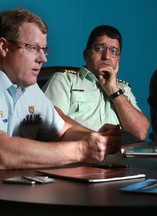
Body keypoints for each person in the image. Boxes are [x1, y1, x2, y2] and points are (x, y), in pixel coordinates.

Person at [0, 8, 122, 170]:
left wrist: (98, 138)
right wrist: (81, 150)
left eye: (44, 49)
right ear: (4, 47)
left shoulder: (30, 89)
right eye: (33, 48)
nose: (42, 58)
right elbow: (3, 152)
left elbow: (63, 130)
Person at [42, 25, 149, 142]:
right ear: (86, 54)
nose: (106, 56)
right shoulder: (65, 79)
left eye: (114, 51)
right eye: (99, 48)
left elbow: (141, 133)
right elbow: (53, 119)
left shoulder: (123, 89)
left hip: (121, 156)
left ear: (118, 59)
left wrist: (114, 91)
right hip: (78, 154)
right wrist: (100, 140)